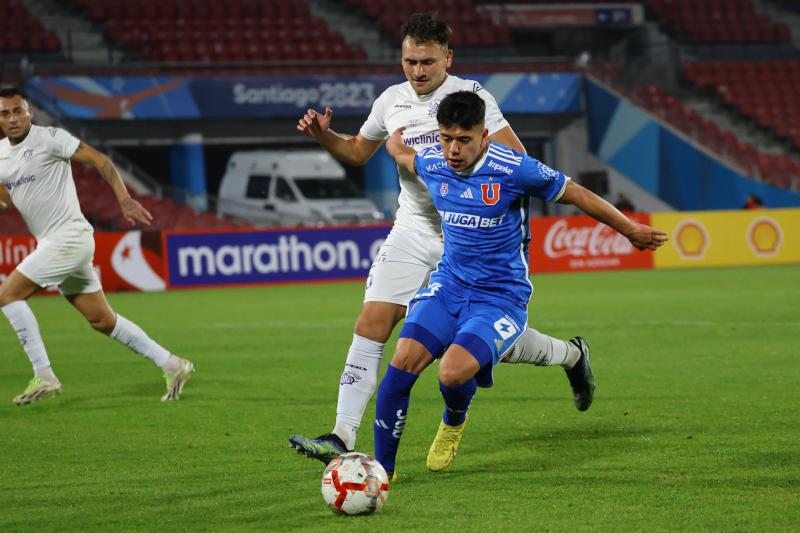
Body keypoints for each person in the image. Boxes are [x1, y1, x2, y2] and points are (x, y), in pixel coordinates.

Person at [289, 13, 598, 465]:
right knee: (372, 321)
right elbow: (357, 151)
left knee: (484, 343)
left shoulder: (472, 98)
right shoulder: (390, 101)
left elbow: (517, 160)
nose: (418, 71)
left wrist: (460, 184)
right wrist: (325, 136)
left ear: (447, 58)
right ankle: (341, 434)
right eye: (410, 61)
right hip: (414, 231)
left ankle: (569, 355)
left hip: (471, 241)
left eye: (427, 62)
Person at [373, 91, 668, 477]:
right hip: (449, 285)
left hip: (500, 296)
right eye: (446, 138)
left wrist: (629, 229)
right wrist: (393, 137)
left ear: (484, 136)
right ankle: (381, 474)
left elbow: (576, 193)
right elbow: (402, 153)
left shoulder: (514, 169)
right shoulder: (433, 162)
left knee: (452, 373)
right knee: (401, 363)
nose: (453, 150)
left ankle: (454, 420)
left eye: (464, 139)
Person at [0, 87, 194, 405]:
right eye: (5, 113)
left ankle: (44, 375)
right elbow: (4, 203)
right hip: (56, 243)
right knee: (102, 320)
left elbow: (100, 160)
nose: (12, 118)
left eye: (18, 111)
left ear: (29, 112)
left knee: (8, 295)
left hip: (69, 237)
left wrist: (125, 199)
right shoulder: (1, 155)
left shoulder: (50, 138)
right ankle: (172, 364)